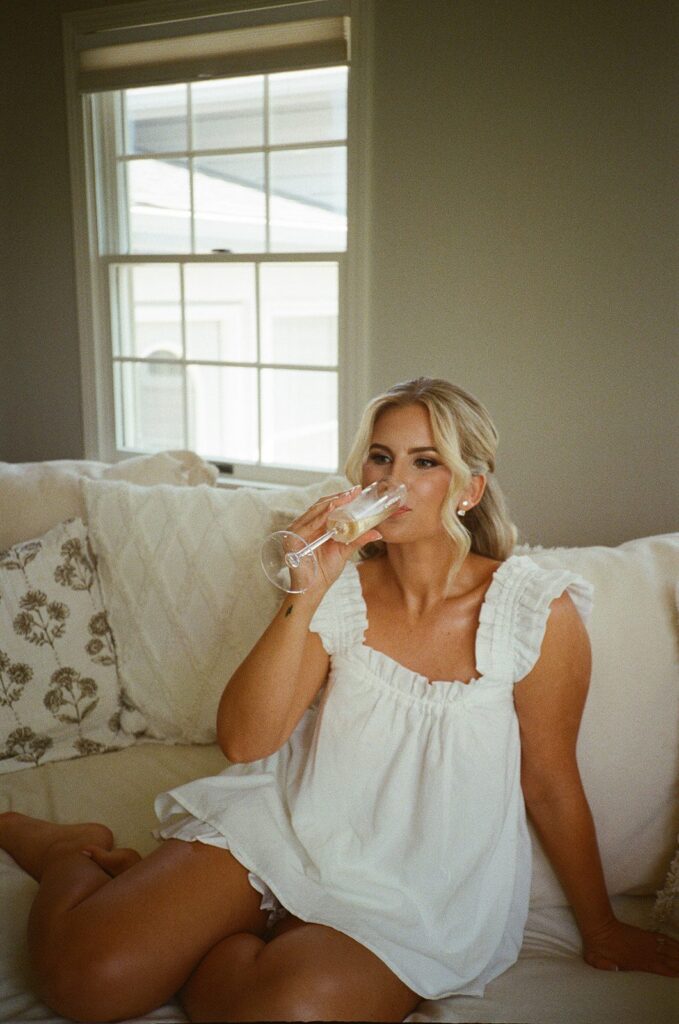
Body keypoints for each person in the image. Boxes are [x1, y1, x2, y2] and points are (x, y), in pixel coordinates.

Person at [1, 377, 678, 1024]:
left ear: (469, 488)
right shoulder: (340, 591)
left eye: (424, 461)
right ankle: (72, 851)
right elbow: (245, 742)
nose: (392, 481)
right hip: (283, 830)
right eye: (380, 458)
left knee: (288, 1011)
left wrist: (601, 929)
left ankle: (216, 943)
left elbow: (550, 782)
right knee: (84, 980)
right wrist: (305, 590)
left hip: (410, 887)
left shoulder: (534, 609)